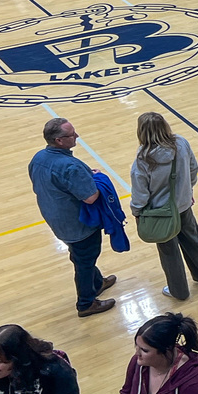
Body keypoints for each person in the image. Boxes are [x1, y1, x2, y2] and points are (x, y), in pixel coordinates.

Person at [28, 117, 117, 317]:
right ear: (59, 140)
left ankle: (97, 282)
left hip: (55, 218)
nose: (77, 136)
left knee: (80, 255)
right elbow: (90, 197)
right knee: (84, 260)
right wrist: (97, 178)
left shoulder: (38, 158)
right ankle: (86, 303)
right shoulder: (70, 166)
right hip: (78, 223)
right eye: (71, 135)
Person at [130, 113, 198, 301]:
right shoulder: (181, 143)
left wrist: (137, 212)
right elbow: (193, 168)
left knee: (169, 252)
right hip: (184, 204)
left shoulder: (143, 157)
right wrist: (187, 190)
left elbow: (140, 191)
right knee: (193, 239)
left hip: (159, 213)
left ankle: (179, 291)